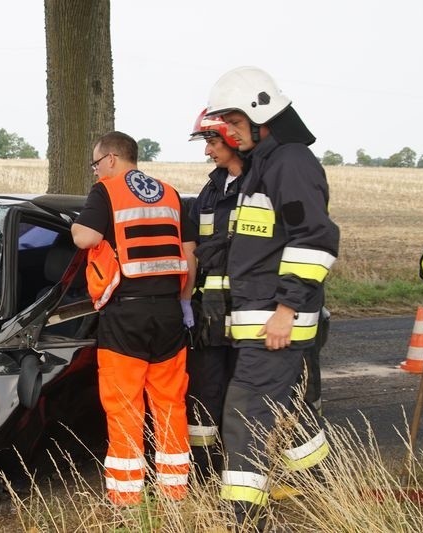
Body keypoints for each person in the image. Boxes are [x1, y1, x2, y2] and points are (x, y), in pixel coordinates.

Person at [203, 66, 340, 529]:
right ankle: (323, 490)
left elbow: (314, 240)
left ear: (263, 115)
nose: (229, 134)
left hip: (276, 323)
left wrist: (287, 309)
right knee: (294, 412)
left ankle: (243, 519)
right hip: (261, 321)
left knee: (245, 412)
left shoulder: (291, 163)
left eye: (235, 124)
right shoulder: (262, 166)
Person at [71, 131, 197, 505]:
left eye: (96, 165)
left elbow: (83, 238)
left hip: (126, 314)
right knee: (171, 403)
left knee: (124, 404)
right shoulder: (171, 194)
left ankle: (127, 498)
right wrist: (184, 302)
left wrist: (76, 227)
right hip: (170, 313)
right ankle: (174, 491)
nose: (96, 173)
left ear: (110, 159)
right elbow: (190, 256)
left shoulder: (106, 191)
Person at [185, 109, 244, 481]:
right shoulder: (210, 190)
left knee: (247, 399)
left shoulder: (260, 187)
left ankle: (245, 469)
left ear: (233, 138)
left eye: (212, 140)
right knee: (205, 394)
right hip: (209, 318)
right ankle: (205, 472)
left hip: (248, 316)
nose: (207, 150)